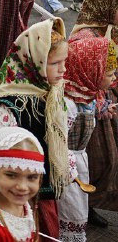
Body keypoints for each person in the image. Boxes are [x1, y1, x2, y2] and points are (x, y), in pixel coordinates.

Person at [0, 18, 70, 239]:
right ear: (34, 61)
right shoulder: (10, 106)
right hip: (14, 195)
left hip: (38, 190)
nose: (63, 69)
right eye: (55, 63)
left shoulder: (50, 92)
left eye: (64, 61)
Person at [58, 32, 117, 240]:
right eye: (110, 74)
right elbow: (59, 140)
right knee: (69, 207)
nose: (114, 79)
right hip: (67, 167)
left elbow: (93, 109)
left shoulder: (87, 94)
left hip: (79, 163)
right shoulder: (69, 104)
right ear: (92, 71)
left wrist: (105, 111)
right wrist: (69, 169)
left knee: (77, 206)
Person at [72, 0, 118, 227]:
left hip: (104, 102)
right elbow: (81, 80)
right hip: (90, 105)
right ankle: (82, 206)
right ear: (107, 2)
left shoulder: (110, 30)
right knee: (99, 160)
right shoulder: (87, 37)